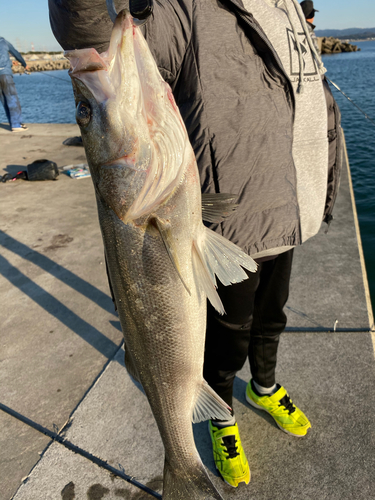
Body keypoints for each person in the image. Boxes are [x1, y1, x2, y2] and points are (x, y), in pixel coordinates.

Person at [48, 0, 342, 489]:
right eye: (86, 113)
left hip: (291, 209)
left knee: (272, 319)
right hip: (230, 226)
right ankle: (217, 419)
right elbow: (95, 43)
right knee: (225, 341)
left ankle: (265, 386)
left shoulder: (287, 4)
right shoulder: (184, 7)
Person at [0, 36, 28, 132]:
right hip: (5, 74)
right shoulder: (3, 41)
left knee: (4, 100)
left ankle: (13, 123)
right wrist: (24, 64)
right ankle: (16, 125)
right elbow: (16, 53)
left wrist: (11, 63)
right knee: (12, 98)